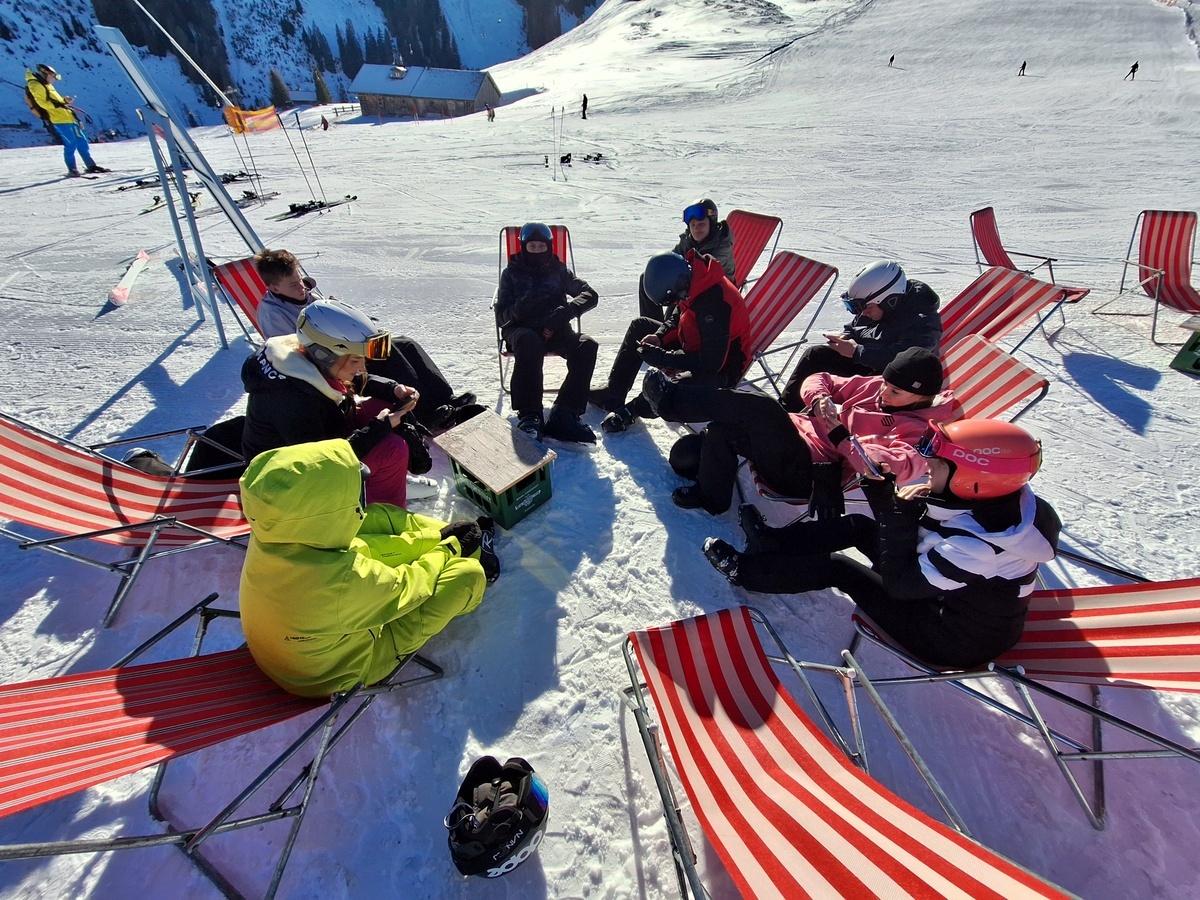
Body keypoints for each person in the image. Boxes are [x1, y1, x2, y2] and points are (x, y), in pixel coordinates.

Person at [703, 419, 1061, 671]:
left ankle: (746, 572)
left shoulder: (982, 546)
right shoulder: (989, 502)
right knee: (859, 527)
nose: (927, 465)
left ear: (973, 479)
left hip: (950, 636)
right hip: (944, 596)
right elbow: (918, 537)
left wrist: (897, 516)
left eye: (938, 463)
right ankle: (771, 542)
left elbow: (901, 585)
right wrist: (882, 494)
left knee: (841, 569)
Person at [239, 438, 494, 697]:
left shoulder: (274, 533)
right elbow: (410, 587)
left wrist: (436, 539)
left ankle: (451, 536)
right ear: (324, 511)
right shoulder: (339, 583)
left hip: (298, 650)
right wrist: (449, 549)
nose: (358, 498)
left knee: (376, 516)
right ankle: (472, 553)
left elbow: (357, 552)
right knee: (467, 576)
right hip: (336, 672)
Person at [662, 347, 955, 515]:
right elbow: (820, 378)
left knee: (763, 408)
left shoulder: (917, 434)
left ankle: (671, 401)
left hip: (810, 473)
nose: (883, 393)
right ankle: (712, 498)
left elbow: (877, 467)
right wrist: (820, 399)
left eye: (894, 392)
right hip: (792, 439)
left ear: (921, 397)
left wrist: (840, 433)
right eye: (885, 384)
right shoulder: (879, 388)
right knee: (708, 438)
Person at [252, 248, 482, 432]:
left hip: (343, 348)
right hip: (331, 364)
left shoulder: (306, 295)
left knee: (406, 343)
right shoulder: (272, 314)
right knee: (388, 353)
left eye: (300, 280)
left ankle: (445, 398)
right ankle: (425, 412)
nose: (301, 287)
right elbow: (298, 350)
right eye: (294, 285)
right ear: (274, 288)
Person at [240, 298, 420, 507]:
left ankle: (384, 480)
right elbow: (322, 461)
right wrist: (380, 426)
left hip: (315, 450)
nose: (362, 368)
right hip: (285, 485)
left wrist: (392, 389)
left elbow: (351, 379)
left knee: (379, 407)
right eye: (355, 360)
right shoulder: (291, 399)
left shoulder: (303, 360)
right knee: (392, 449)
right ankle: (383, 516)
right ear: (323, 354)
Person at [595, 250, 750, 435]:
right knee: (640, 326)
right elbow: (678, 314)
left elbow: (711, 362)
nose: (675, 303)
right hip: (696, 343)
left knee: (673, 385)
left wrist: (664, 357)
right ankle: (614, 393)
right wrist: (659, 336)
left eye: (673, 299)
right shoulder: (693, 281)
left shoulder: (714, 301)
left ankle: (633, 410)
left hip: (724, 365)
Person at [779, 260, 941, 412]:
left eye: (866, 307)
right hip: (869, 364)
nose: (863, 313)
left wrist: (856, 352)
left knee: (863, 384)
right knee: (815, 356)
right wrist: (846, 337)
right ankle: (784, 412)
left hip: (896, 382)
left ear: (889, 301)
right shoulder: (875, 308)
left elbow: (905, 361)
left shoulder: (923, 321)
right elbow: (856, 327)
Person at [495, 222, 599, 443]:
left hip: (555, 328)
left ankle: (565, 413)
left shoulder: (558, 270)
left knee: (586, 345)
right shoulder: (511, 273)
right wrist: (517, 310)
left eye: (541, 247)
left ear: (549, 247)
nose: (537, 251)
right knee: (529, 341)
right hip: (521, 330)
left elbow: (590, 294)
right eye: (531, 247)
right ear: (523, 247)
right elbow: (501, 318)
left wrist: (567, 311)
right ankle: (529, 414)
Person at [631, 199, 735, 322]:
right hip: (691, 287)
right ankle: (653, 324)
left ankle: (668, 327)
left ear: (711, 224)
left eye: (701, 224)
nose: (696, 229)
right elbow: (669, 262)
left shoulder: (722, 246)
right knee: (647, 278)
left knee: (677, 287)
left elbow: (705, 274)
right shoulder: (688, 241)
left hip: (714, 295)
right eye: (693, 225)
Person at [25, 63, 109, 177]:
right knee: (71, 144)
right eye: (53, 76)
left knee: (82, 142)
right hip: (59, 120)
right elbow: (42, 103)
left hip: (67, 117)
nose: (54, 79)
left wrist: (64, 101)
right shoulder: (36, 85)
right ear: (45, 74)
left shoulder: (46, 85)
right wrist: (60, 105)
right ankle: (72, 169)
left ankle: (91, 165)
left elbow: (55, 101)